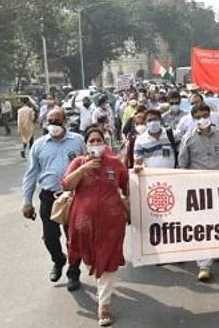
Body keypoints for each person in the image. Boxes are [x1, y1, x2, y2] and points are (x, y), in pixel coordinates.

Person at [62, 126, 129, 326]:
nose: (95, 144)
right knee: (91, 260)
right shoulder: (78, 162)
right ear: (86, 145)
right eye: (91, 141)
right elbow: (66, 185)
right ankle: (102, 287)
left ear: (105, 143)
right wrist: (83, 169)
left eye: (98, 140)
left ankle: (104, 305)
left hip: (112, 223)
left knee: (108, 260)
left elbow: (127, 186)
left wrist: (139, 173)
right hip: (83, 225)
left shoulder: (115, 163)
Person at [21, 108, 86, 290]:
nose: (54, 124)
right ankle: (58, 260)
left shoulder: (77, 141)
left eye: (57, 120)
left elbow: (88, 165)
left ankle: (74, 272)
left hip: (74, 196)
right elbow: (31, 174)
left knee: (73, 237)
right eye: (50, 120)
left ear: (65, 121)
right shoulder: (39, 145)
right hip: (49, 197)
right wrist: (27, 202)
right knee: (50, 237)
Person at [178, 102, 219, 282]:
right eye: (198, 117)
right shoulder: (188, 139)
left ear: (210, 116)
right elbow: (182, 164)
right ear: (193, 119)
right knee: (201, 225)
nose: (202, 119)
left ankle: (217, 249)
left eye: (205, 116)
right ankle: (204, 265)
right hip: (197, 188)